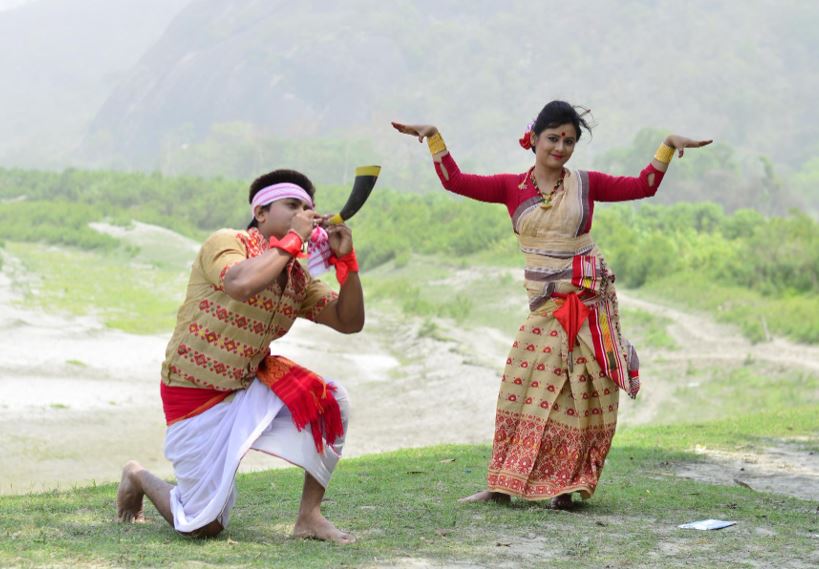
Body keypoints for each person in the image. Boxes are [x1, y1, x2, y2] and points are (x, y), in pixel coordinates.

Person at [392, 101, 711, 508]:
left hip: (587, 300)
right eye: (553, 138)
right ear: (535, 139)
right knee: (519, 388)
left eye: (569, 141)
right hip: (545, 307)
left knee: (581, 392)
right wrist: (433, 137)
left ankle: (567, 487)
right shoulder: (512, 188)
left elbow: (642, 186)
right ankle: (502, 484)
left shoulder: (586, 184)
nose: (560, 148)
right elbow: (455, 181)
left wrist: (666, 146)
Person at [116, 168, 364, 542]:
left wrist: (347, 264)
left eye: (309, 208)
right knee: (204, 526)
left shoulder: (297, 277)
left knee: (332, 401)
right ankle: (136, 474)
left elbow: (349, 322)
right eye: (293, 205)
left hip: (246, 388)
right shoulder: (227, 242)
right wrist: (296, 237)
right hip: (193, 395)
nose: (305, 213)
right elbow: (239, 283)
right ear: (261, 213)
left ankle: (309, 516)